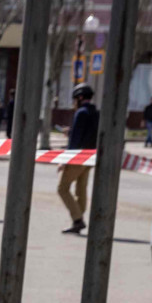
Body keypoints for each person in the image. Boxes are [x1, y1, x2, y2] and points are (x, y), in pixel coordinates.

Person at [60, 82, 99, 235]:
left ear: (80, 98)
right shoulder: (95, 112)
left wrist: (65, 160)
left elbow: (75, 140)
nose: (73, 102)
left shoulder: (81, 113)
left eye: (75, 99)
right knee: (81, 189)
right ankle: (78, 219)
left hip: (78, 156)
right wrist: (71, 131)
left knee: (62, 188)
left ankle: (77, 220)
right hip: (90, 156)